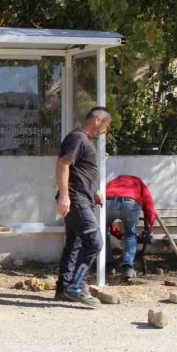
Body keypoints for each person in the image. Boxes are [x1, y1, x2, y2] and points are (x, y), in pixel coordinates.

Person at [55, 107, 113, 307]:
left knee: (75, 244)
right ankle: (77, 285)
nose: (105, 131)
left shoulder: (85, 141)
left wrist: (95, 191)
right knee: (94, 242)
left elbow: (82, 171)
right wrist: (64, 195)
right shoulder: (78, 138)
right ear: (97, 120)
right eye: (106, 126)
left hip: (82, 198)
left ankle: (64, 289)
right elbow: (63, 164)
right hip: (76, 199)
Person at [105, 175, 156, 279]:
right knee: (130, 234)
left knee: (103, 232)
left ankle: (108, 266)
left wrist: (116, 233)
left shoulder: (112, 183)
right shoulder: (138, 182)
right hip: (131, 203)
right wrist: (150, 230)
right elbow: (149, 206)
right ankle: (127, 268)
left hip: (108, 202)